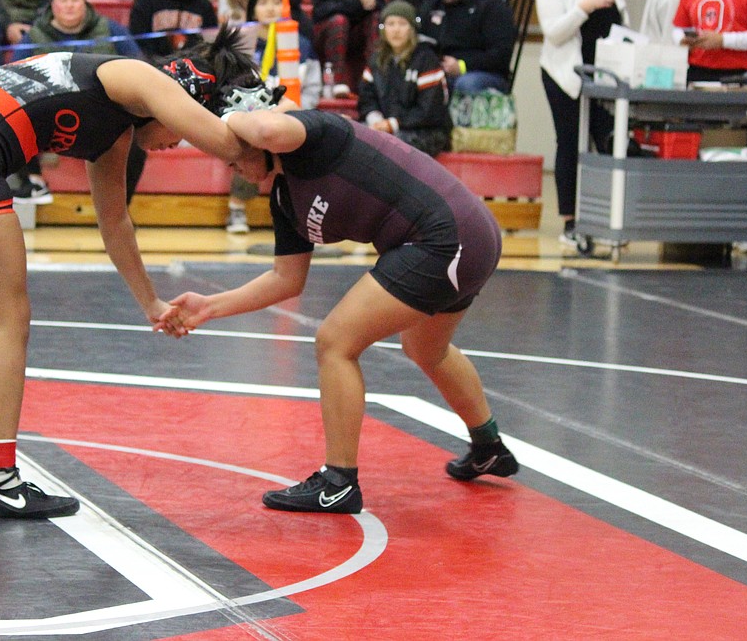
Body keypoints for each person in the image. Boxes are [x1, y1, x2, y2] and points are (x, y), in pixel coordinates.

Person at [0, 26, 260, 519]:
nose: (174, 143)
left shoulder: (116, 129)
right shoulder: (139, 77)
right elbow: (230, 146)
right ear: (191, 98)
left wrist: (152, 303)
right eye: (181, 128)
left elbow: (115, 222)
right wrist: (267, 119)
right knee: (6, 321)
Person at [157, 103, 518, 513]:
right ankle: (489, 447)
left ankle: (339, 481)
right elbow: (286, 280)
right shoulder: (283, 197)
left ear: (252, 135)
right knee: (425, 350)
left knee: (335, 342)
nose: (228, 165)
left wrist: (229, 116)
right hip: (457, 238)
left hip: (447, 236)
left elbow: (271, 130)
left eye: (231, 152)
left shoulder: (317, 137)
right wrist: (209, 306)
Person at [535, 0, 628, 247]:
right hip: (564, 76)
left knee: (608, 141)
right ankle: (570, 221)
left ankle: (607, 216)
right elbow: (553, 32)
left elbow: (622, 19)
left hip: (604, 76)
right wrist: (584, 6)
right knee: (571, 143)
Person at [14, 0, 142, 203]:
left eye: (75, 0)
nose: (70, 5)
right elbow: (13, 78)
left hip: (102, 116)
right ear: (53, 6)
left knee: (136, 140)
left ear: (85, 4)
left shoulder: (111, 30)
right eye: (64, 1)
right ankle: (34, 182)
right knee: (12, 115)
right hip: (50, 118)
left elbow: (140, 67)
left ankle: (120, 204)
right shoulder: (33, 37)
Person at [227, 0, 318, 233]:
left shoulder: (301, 43)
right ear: (252, 9)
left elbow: (311, 87)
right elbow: (233, 87)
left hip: (293, 114)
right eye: (263, 2)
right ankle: (237, 207)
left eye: (276, 1)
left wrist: (293, 110)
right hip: (252, 115)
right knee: (251, 140)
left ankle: (302, 217)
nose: (270, 8)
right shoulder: (242, 44)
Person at [357, 0, 450, 157]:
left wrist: (394, 124)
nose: (396, 30)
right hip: (387, 126)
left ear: (412, 29)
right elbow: (366, 98)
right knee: (355, 138)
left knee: (391, 147)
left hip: (426, 131)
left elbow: (429, 110)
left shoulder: (426, 59)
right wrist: (375, 119)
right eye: (390, 24)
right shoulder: (376, 60)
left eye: (402, 24)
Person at [417, 0, 517, 96]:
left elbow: (500, 55)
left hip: (484, 73)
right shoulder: (432, 5)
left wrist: (462, 65)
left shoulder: (490, 6)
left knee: (467, 83)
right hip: (438, 69)